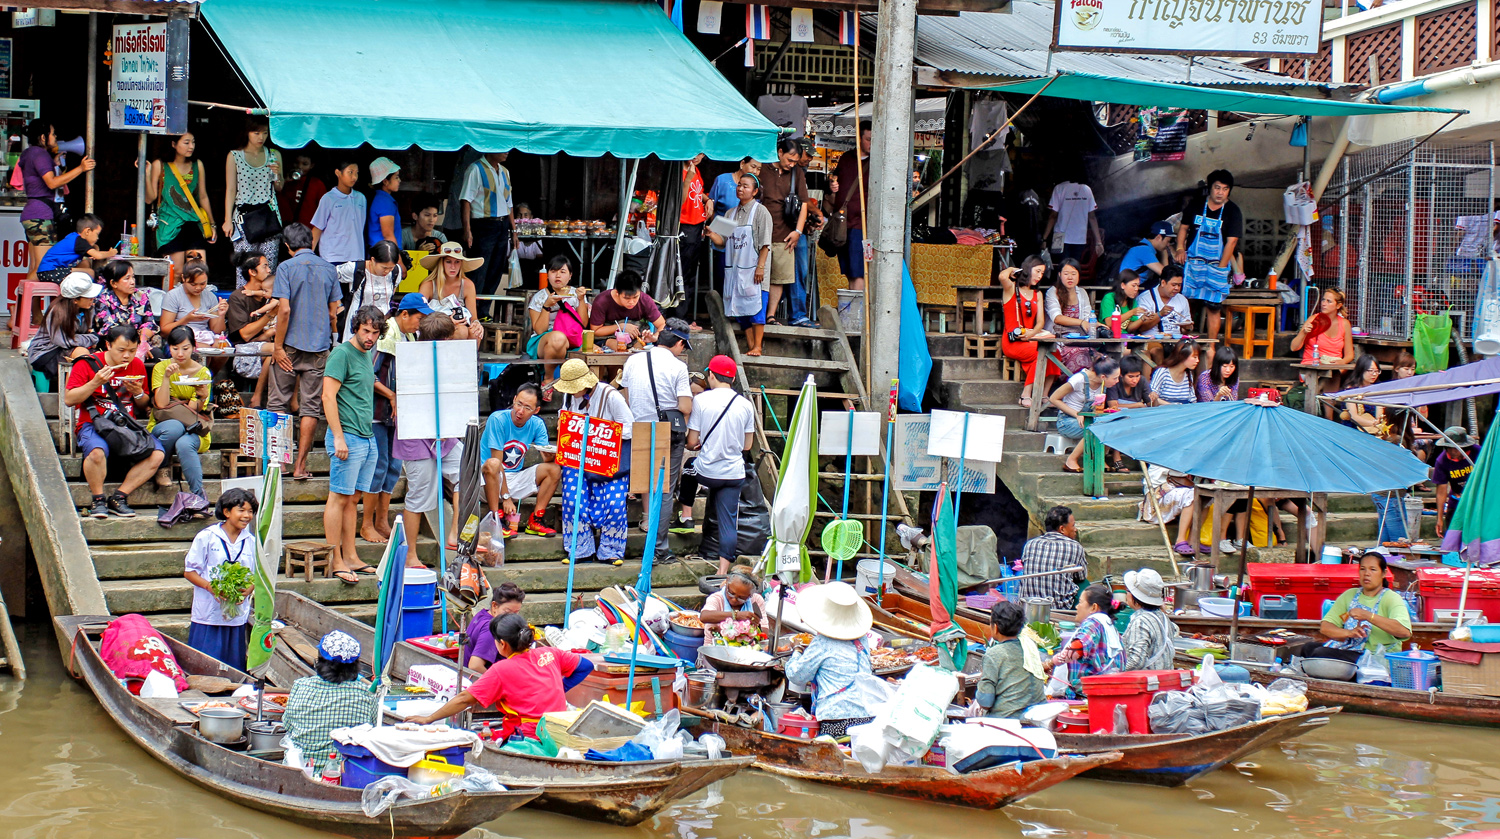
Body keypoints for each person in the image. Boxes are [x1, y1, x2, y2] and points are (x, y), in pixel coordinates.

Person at [406, 613, 594, 739]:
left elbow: (464, 699)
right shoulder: (550, 653)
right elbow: (586, 665)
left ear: (502, 644)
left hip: (528, 735)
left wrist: (428, 719)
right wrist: (561, 688)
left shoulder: (501, 669)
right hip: (558, 731)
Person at [65, 325, 167, 519]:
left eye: (132, 350)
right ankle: (98, 499)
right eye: (121, 350)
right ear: (107, 345)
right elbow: (69, 399)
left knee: (157, 454)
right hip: (94, 424)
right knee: (96, 452)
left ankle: (119, 497)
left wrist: (137, 392)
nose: (127, 356)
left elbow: (144, 403)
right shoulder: (87, 364)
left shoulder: (136, 365)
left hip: (126, 425)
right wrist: (95, 382)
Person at [271, 223, 343, 481]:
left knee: (278, 402)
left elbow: (285, 310)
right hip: (319, 346)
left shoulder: (286, 267)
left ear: (288, 247)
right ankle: (300, 466)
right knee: (310, 407)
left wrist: (278, 347)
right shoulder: (328, 269)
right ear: (310, 243)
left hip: (289, 345)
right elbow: (334, 310)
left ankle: (276, 464)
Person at [393, 314, 465, 568]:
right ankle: (410, 554)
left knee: (466, 472)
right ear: (443, 339)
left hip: (444, 431)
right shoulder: (410, 359)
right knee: (420, 495)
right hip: (416, 434)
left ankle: (456, 532)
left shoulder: (452, 358)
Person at [620, 319, 694, 559]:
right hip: (667, 431)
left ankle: (638, 541)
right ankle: (659, 548)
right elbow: (684, 405)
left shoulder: (633, 359)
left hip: (640, 428)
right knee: (663, 490)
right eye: (684, 346)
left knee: (645, 487)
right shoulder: (678, 367)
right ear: (680, 342)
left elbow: (628, 397)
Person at [323, 306, 385, 583]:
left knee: (353, 499)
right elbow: (327, 396)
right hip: (347, 435)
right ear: (356, 328)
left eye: (375, 332)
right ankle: (335, 558)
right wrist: (338, 436)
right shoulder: (342, 353)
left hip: (367, 434)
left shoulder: (366, 354)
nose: (370, 337)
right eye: (366, 331)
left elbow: (366, 385)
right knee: (338, 498)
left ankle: (351, 555)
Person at [554, 359, 633, 567]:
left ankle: (611, 550)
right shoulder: (568, 397)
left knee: (615, 502)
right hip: (577, 458)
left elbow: (630, 427)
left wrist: (601, 432)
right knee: (572, 498)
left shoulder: (611, 396)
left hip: (607, 459)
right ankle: (579, 549)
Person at [366, 293, 430, 543]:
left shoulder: (410, 336)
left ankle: (382, 520)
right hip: (378, 412)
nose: (419, 324)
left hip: (399, 414)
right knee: (379, 465)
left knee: (393, 467)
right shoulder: (386, 335)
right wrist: (392, 395)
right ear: (404, 314)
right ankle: (368, 523)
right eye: (418, 318)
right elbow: (369, 376)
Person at [687, 355, 756, 575]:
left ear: (712, 375)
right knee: (729, 522)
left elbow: (691, 441)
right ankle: (722, 571)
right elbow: (747, 445)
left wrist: (701, 444)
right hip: (733, 474)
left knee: (689, 467)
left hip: (707, 471)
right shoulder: (745, 405)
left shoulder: (701, 400)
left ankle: (686, 515)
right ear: (733, 378)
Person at [785, 581, 878, 737]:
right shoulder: (861, 639)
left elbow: (797, 675)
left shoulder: (822, 643)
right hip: (867, 715)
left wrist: (797, 649)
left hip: (836, 718)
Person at [1287, 550, 1411, 664]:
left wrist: (1368, 616)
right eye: (1363, 569)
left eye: (1373, 569)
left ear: (1383, 573)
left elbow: (1404, 632)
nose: (1367, 574)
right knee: (1308, 648)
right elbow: (1326, 627)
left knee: (1320, 654)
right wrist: (1349, 633)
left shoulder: (1391, 598)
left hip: (1376, 658)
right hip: (1351, 650)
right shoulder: (1350, 595)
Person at [182, 488, 257, 669]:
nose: (247, 516)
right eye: (242, 510)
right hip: (208, 613)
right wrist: (211, 587)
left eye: (250, 511)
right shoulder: (207, 537)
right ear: (226, 512)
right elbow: (189, 571)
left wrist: (251, 587)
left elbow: (257, 575)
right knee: (205, 665)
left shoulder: (252, 541)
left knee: (233, 666)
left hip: (236, 614)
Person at [284, 630, 377, 773]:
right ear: (355, 666)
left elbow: (288, 726)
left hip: (300, 771)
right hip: (343, 774)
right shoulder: (366, 695)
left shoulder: (300, 686)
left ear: (319, 662)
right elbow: (375, 730)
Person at [480, 383, 560, 539]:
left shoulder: (537, 424)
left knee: (554, 469)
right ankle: (496, 518)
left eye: (527, 408)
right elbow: (496, 462)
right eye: (518, 404)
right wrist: (506, 497)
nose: (520, 411)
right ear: (514, 400)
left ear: (536, 410)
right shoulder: (498, 419)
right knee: (494, 464)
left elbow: (546, 458)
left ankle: (536, 519)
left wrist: (553, 453)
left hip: (513, 478)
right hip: (487, 480)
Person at [705, 171, 771, 355]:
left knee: (757, 308)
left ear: (755, 191)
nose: (740, 189)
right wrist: (711, 234)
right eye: (739, 185)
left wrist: (761, 267)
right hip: (735, 270)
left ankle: (758, 346)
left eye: (746, 186)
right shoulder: (730, 212)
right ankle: (751, 347)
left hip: (755, 270)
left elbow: (766, 243)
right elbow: (723, 241)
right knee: (741, 312)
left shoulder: (761, 212)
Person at [20, 119, 95, 282]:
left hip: (32, 214)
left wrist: (53, 164)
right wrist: (81, 168)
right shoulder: (40, 154)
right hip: (40, 216)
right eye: (52, 134)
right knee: (42, 268)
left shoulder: (29, 153)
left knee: (35, 267)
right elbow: (52, 182)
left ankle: (30, 308)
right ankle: (20, 306)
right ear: (42, 137)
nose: (55, 137)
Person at [1175, 170, 1242, 338]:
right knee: (1188, 302)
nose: (1220, 192)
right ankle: (1184, 339)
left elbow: (1231, 241)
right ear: (1210, 188)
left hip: (1216, 265)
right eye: (1217, 188)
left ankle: (1211, 345)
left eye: (1225, 189)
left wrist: (1220, 268)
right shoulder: (1196, 205)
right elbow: (1183, 228)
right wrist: (1180, 249)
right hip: (1194, 264)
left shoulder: (1233, 211)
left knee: (1213, 306)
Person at [149, 327, 213, 499]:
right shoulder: (161, 367)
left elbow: (194, 409)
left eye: (185, 348)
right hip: (164, 425)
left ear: (193, 347)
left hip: (194, 427)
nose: (180, 353)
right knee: (174, 427)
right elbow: (161, 404)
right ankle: (162, 467)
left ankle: (199, 498)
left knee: (185, 444)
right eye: (175, 348)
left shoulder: (202, 373)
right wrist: (166, 378)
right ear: (169, 348)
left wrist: (202, 396)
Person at [222, 115, 284, 288]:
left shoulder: (273, 154)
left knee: (268, 268)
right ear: (247, 133)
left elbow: (279, 187)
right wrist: (227, 219)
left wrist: (277, 174)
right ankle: (243, 308)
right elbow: (231, 189)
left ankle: (267, 309)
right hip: (243, 217)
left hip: (268, 216)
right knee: (245, 267)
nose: (261, 137)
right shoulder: (235, 156)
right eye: (256, 133)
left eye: (264, 133)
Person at [147, 133, 217, 273]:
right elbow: (149, 198)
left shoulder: (197, 165)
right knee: (176, 272)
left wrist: (211, 224)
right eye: (186, 142)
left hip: (193, 224)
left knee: (199, 270)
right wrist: (146, 174)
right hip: (170, 225)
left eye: (193, 142)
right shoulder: (159, 165)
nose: (191, 146)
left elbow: (202, 196)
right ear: (173, 144)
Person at [759, 138, 811, 326]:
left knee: (778, 277)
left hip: (786, 232)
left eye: (795, 162)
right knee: (758, 274)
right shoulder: (763, 168)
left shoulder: (797, 173)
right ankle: (757, 313)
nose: (791, 164)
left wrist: (798, 230)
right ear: (779, 152)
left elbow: (804, 203)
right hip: (761, 231)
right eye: (789, 159)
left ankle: (770, 315)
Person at [459, 150, 519, 295]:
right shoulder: (475, 169)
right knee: (479, 268)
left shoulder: (505, 172)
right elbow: (466, 201)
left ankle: (484, 311)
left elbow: (509, 203)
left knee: (496, 268)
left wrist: (514, 230)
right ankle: (474, 308)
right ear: (491, 150)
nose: (507, 153)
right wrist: (467, 230)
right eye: (503, 149)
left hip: (502, 224)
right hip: (483, 224)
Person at [972, 600, 1046, 719]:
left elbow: (985, 702)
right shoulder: (1030, 646)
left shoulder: (994, 654)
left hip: (1008, 720)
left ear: (995, 627)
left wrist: (981, 683)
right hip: (1038, 717)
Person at [224, 252, 280, 408]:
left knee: (281, 351)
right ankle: (257, 396)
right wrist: (270, 314)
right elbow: (245, 334)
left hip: (267, 347)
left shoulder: (270, 296)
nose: (269, 270)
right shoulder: (238, 297)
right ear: (252, 272)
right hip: (245, 352)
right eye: (265, 266)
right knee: (277, 349)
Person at [1047, 584, 1125, 694]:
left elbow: (1077, 648)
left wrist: (1050, 663)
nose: (1077, 607)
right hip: (1107, 692)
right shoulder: (1110, 627)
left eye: (1080, 602)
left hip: (1090, 695)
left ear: (1094, 607)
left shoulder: (1093, 623)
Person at [998, 262, 1057, 406]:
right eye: (1037, 271)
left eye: (1042, 273)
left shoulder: (1038, 294)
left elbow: (1040, 322)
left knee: (1055, 353)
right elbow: (1002, 276)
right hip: (1013, 341)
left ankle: (1044, 394)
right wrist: (1014, 269)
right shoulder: (1012, 289)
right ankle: (1026, 393)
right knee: (1040, 353)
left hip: (1030, 338)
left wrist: (1032, 334)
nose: (1039, 276)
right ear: (1027, 269)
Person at [28, 272, 101, 389]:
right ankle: (71, 395)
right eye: (88, 296)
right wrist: (92, 338)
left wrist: (90, 338)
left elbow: (85, 333)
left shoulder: (88, 309)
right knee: (82, 354)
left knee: (99, 357)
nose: (92, 299)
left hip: (68, 348)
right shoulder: (58, 311)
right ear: (75, 300)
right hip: (46, 352)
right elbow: (63, 341)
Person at [527, 255, 589, 387]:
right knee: (558, 337)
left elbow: (583, 324)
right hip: (544, 340)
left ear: (570, 275)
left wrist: (582, 300)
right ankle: (548, 379)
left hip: (572, 338)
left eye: (562, 272)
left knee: (596, 350)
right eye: (553, 271)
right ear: (548, 275)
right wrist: (546, 306)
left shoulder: (575, 295)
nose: (557, 276)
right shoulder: (540, 297)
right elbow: (539, 330)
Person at [1052, 358, 1121, 474]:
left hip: (1088, 419)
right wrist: (1076, 414)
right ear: (1103, 376)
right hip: (1067, 421)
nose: (1117, 381)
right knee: (1095, 429)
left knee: (1112, 424)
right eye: (1115, 378)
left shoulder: (1102, 385)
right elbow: (1054, 398)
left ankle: (1098, 459)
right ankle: (1071, 460)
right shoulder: (1079, 380)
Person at [829, 121, 872, 291]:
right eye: (868, 139)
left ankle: (857, 314)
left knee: (858, 272)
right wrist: (832, 184)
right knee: (848, 270)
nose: (871, 143)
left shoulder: (877, 162)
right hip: (842, 224)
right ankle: (853, 311)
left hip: (861, 226)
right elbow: (835, 179)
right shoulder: (846, 158)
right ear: (859, 139)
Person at [1017, 506, 1088, 609]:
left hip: (1028, 606)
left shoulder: (1030, 544)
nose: (1075, 529)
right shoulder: (1075, 547)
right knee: (1084, 585)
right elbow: (1081, 577)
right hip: (1058, 608)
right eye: (1073, 526)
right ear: (1062, 529)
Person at [310, 159, 368, 282]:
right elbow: (318, 228)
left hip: (356, 256)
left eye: (356, 173)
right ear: (338, 173)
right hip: (332, 257)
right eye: (350, 172)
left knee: (352, 296)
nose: (354, 177)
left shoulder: (361, 198)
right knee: (332, 296)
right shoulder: (328, 198)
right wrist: (308, 255)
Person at [418, 241, 485, 342]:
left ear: (461, 263)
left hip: (461, 324)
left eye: (457, 262)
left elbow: (473, 317)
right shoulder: (429, 284)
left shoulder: (467, 285)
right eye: (448, 262)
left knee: (475, 332)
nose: (453, 267)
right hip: (433, 327)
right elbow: (419, 315)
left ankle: (472, 357)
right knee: (461, 331)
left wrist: (476, 324)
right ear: (441, 263)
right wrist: (447, 322)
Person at [1042, 257, 1097, 375]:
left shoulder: (1081, 293)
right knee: (1081, 359)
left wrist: (1098, 324)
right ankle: (1073, 389)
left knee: (1100, 359)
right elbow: (1057, 317)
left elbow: (1088, 317)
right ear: (1059, 274)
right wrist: (1081, 322)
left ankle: (1092, 392)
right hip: (1059, 341)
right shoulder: (1053, 292)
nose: (1070, 277)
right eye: (1066, 274)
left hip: (1080, 341)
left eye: (1073, 274)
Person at [588, 269, 666, 351]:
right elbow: (595, 330)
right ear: (617, 293)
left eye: (635, 297)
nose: (631, 302)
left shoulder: (645, 300)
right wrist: (621, 327)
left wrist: (655, 337)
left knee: (639, 352)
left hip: (635, 337)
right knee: (619, 349)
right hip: (610, 337)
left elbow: (662, 325)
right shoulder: (602, 301)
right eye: (627, 298)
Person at [340, 241, 402, 340]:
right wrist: (337, 304)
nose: (387, 271)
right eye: (384, 267)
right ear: (373, 260)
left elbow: (390, 295)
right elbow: (330, 277)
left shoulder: (396, 272)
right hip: (359, 324)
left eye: (390, 268)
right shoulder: (355, 269)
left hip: (384, 325)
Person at [461, 582, 527, 673]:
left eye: (516, 612)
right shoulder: (491, 629)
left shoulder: (482, 614)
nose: (512, 617)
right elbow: (475, 665)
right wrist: (497, 681)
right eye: (507, 612)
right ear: (494, 606)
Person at [676, 154, 710, 321]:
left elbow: (698, 192)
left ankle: (684, 318)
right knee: (682, 274)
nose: (697, 157)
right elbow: (679, 201)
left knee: (690, 274)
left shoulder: (695, 169)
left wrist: (708, 199)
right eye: (695, 153)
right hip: (685, 226)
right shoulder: (679, 172)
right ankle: (679, 318)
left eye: (701, 154)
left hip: (697, 226)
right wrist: (688, 178)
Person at [1121, 569, 1178, 671]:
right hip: (1164, 677)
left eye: (1128, 590)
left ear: (1135, 597)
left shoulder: (1140, 621)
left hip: (1147, 681)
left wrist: (1114, 670)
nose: (1126, 594)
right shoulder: (1163, 617)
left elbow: (1136, 661)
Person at [93, 259, 157, 346]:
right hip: (114, 346)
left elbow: (149, 323)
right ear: (113, 283)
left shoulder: (140, 296)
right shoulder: (102, 300)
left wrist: (142, 341)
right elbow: (108, 329)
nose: (132, 282)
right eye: (127, 278)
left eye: (133, 277)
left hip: (140, 342)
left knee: (156, 354)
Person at [36, 214, 115, 282]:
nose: (97, 238)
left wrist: (95, 248)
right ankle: (89, 297)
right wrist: (110, 253)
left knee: (85, 263)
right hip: (50, 272)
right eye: (97, 234)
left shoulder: (75, 238)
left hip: (48, 272)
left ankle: (65, 299)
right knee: (90, 272)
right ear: (87, 231)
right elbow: (98, 255)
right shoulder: (79, 242)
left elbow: (95, 253)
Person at [1042, 175, 1103, 262]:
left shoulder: (1059, 188)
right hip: (1080, 238)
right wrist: (1098, 242)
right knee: (1074, 267)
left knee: (1061, 267)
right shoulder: (1087, 189)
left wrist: (1044, 238)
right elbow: (1092, 217)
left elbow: (1053, 216)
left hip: (1059, 237)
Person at [1433, 426, 1480, 538]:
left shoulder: (1477, 452)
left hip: (1478, 499)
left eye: (1457, 448)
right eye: (1450, 448)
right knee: (1453, 535)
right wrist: (1439, 518)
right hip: (1457, 499)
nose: (1454, 451)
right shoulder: (1442, 461)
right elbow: (1441, 491)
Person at [159, 262, 226, 339]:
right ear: (183, 278)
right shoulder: (173, 296)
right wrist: (186, 319)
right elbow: (164, 331)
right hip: (182, 338)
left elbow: (217, 331)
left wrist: (221, 315)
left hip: (205, 336)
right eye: (193, 284)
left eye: (202, 284)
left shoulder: (210, 297)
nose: (198, 288)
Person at [1290, 287, 1356, 366]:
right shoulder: (1314, 319)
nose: (1324, 304)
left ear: (1338, 305)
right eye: (1323, 300)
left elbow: (1349, 355)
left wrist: (1342, 362)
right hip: (1312, 365)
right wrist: (1304, 332)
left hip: (1334, 365)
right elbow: (1293, 347)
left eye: (1329, 301)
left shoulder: (1345, 324)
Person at [1136, 265, 1191, 340]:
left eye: (1179, 285)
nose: (1177, 288)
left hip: (1175, 340)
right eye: (1174, 285)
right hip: (1152, 339)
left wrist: (1187, 328)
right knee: (1158, 350)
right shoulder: (1145, 298)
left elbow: (1184, 330)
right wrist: (1160, 314)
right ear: (1163, 282)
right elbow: (1141, 328)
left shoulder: (1182, 299)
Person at [700, 567, 768, 628]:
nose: (734, 599)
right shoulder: (717, 598)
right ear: (727, 582)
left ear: (750, 595)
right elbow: (704, 616)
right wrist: (736, 615)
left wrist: (755, 625)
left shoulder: (756, 600)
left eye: (741, 598)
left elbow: (765, 630)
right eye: (731, 593)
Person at [278, 152, 327, 228]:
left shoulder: (317, 184)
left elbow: (323, 209)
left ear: (312, 166)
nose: (299, 166)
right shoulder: (286, 181)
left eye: (305, 164)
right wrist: (284, 181)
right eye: (297, 163)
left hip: (308, 228)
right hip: (287, 227)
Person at [1098, 270, 1150, 334]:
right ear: (1123, 285)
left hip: (1125, 338)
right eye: (1133, 286)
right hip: (1109, 338)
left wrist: (1142, 319)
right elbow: (1109, 323)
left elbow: (1129, 328)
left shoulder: (1132, 301)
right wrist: (1132, 312)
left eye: (1138, 286)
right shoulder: (1109, 298)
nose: (1136, 289)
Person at [1150, 338, 1201, 404]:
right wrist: (1172, 405)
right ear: (1183, 355)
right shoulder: (1162, 372)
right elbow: (1151, 397)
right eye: (1194, 357)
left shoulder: (1188, 375)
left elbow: (1192, 400)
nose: (1197, 360)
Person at [366, 157, 402, 248]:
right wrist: (398, 260)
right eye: (396, 177)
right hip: (385, 254)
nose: (399, 180)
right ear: (385, 181)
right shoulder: (385, 202)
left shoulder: (379, 198)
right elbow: (388, 235)